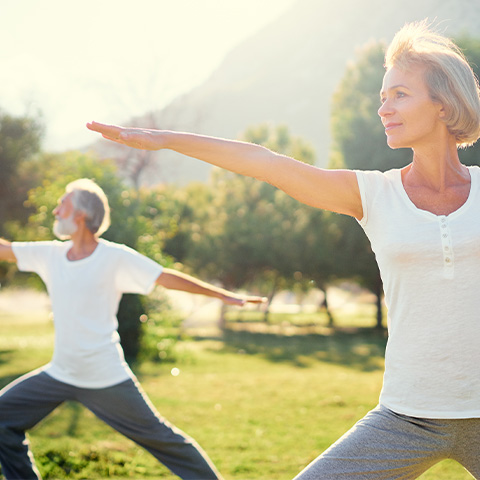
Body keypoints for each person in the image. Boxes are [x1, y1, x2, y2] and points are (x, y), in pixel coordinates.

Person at [87, 19, 480, 479]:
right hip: (406, 416)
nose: (383, 109)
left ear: (443, 103)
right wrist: (163, 139)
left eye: (399, 95)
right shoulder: (373, 194)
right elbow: (264, 163)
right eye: (381, 97)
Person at [0, 178, 266, 480]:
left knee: (164, 440)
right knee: (2, 420)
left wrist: (223, 295)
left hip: (105, 377)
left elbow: (164, 277)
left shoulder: (113, 257)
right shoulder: (50, 255)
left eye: (63, 204)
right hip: (60, 372)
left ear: (82, 215)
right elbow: (5, 249)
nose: (55, 210)